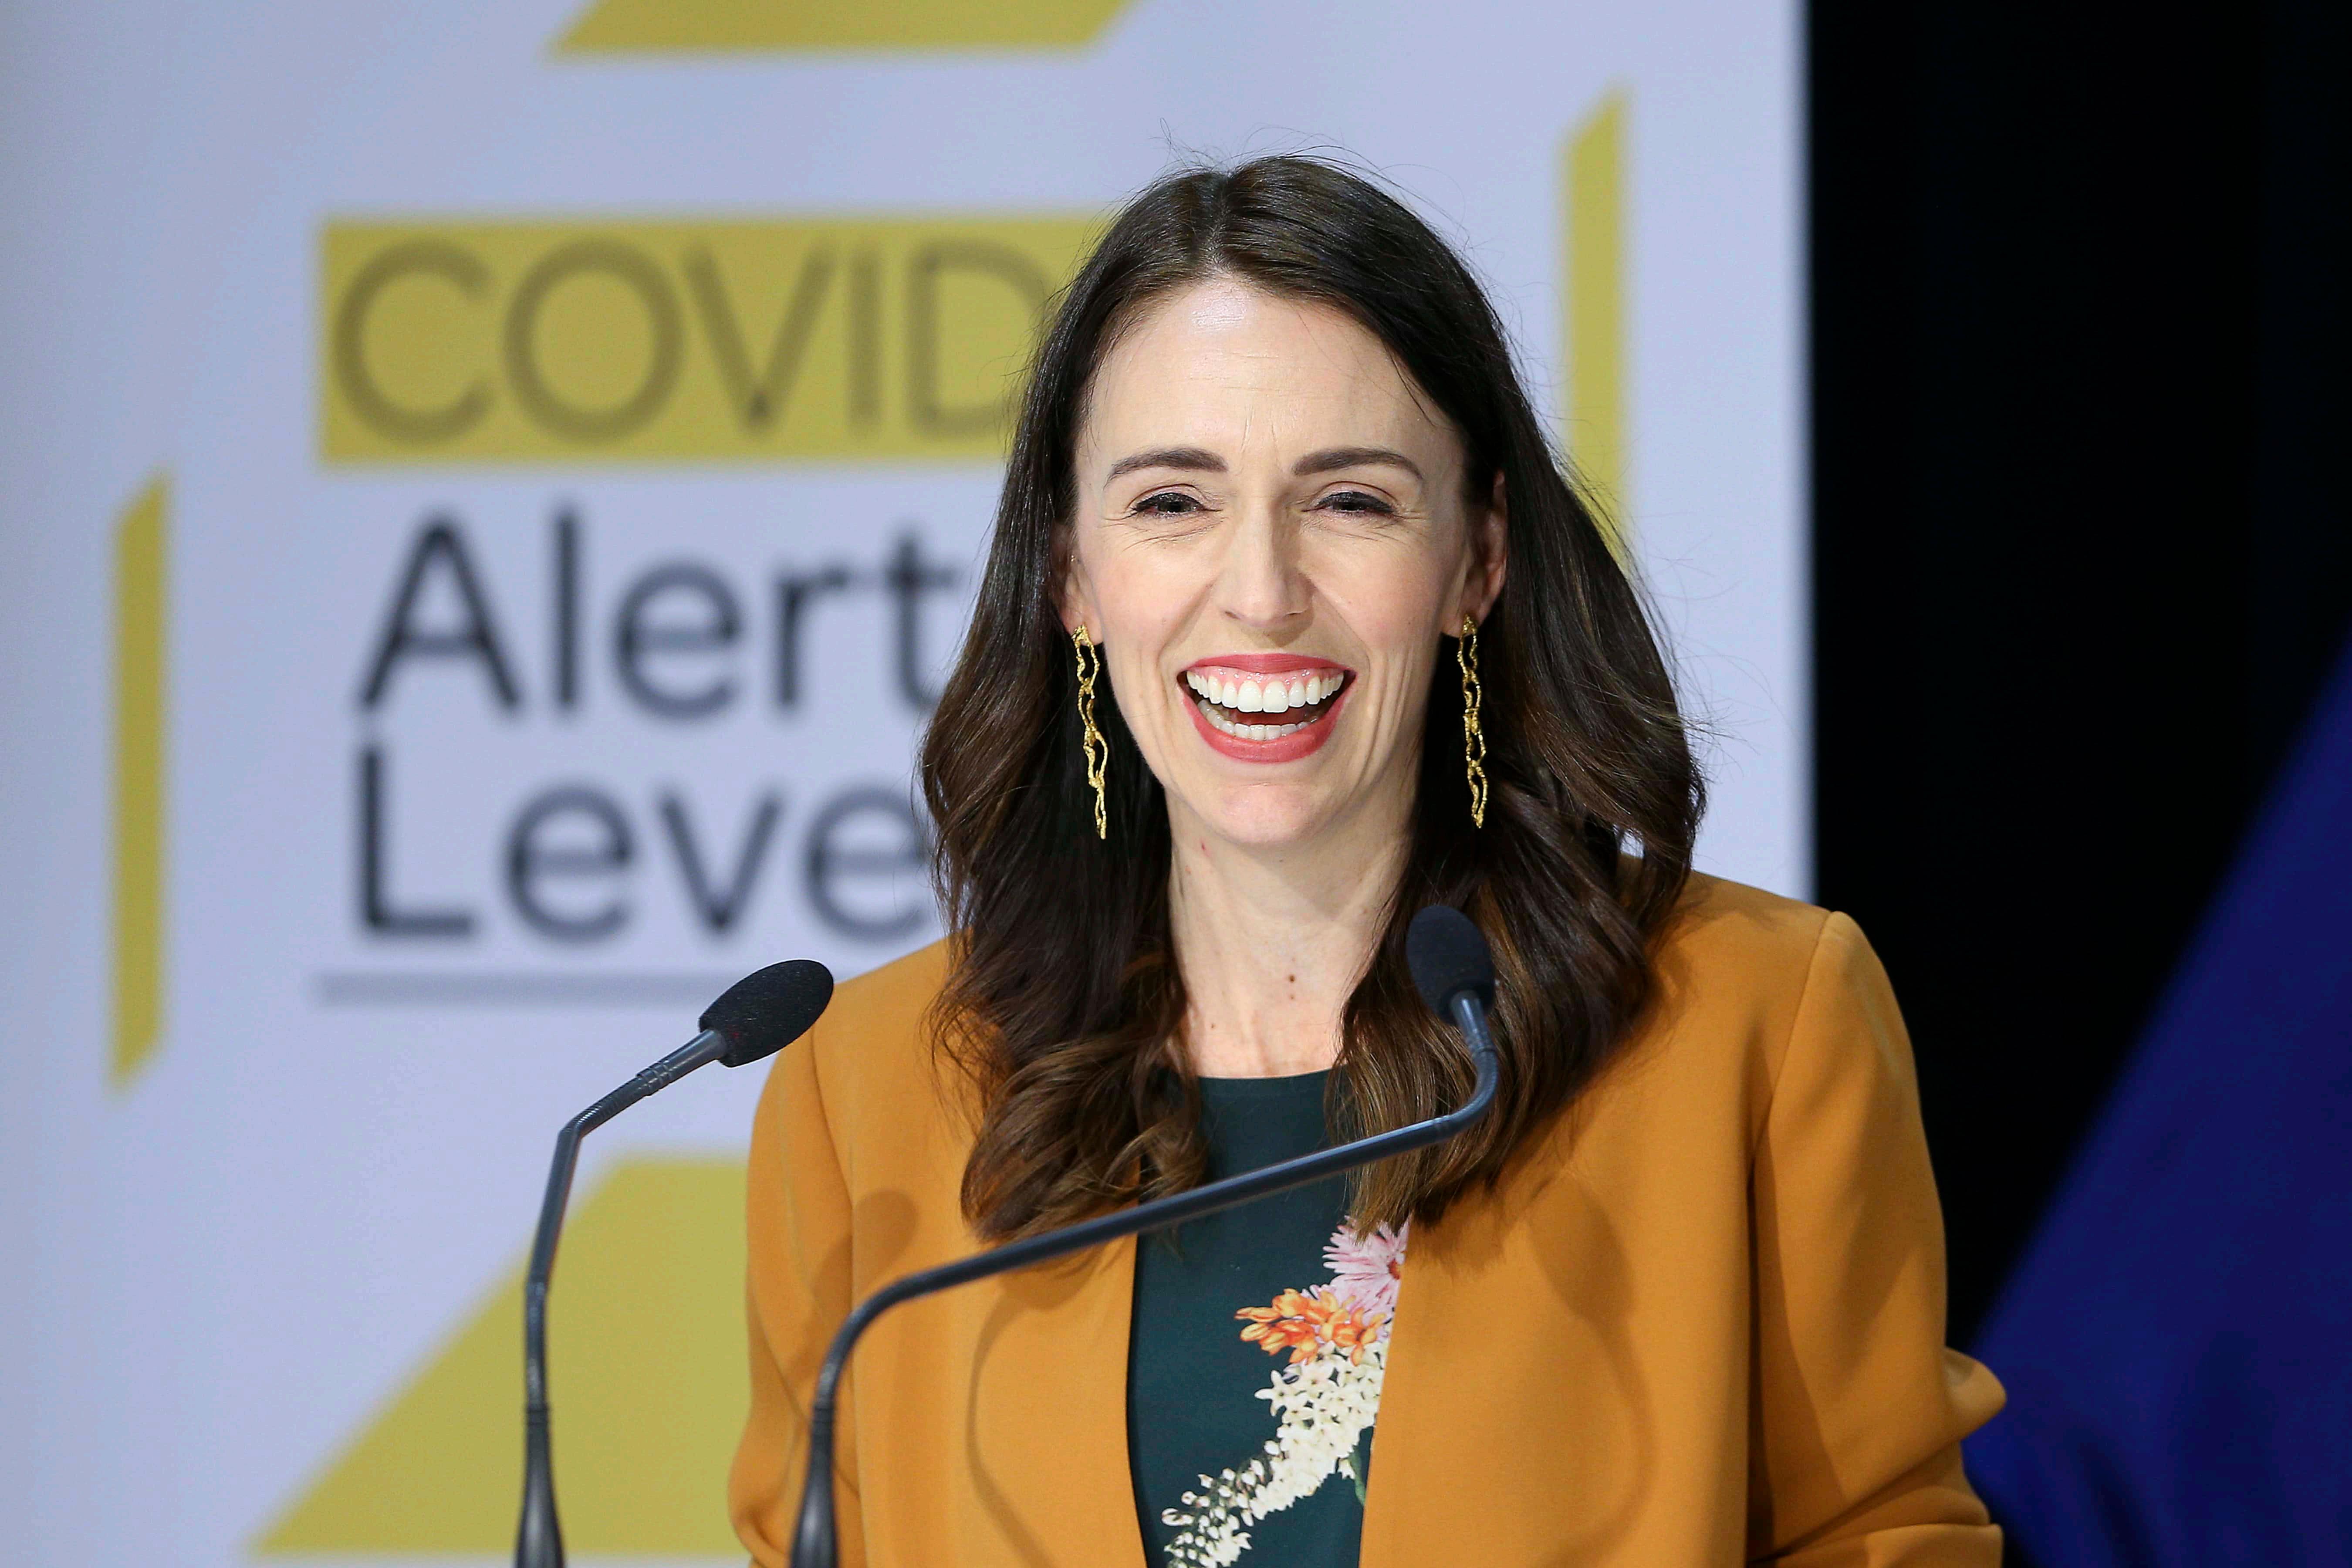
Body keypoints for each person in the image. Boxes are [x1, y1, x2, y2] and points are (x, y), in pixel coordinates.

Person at [729, 156, 2004, 1567]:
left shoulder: (1753, 1022)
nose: (1263, 593)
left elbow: (1886, 1539)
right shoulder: (864, 1090)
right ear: (1072, 576)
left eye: (1349, 500)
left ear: (1478, 561)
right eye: (1173, 503)